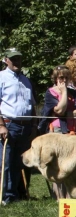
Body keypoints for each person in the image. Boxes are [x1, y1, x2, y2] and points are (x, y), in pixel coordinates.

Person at [38, 65, 76, 199]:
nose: (64, 80)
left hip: (72, 131)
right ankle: (58, 196)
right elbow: (58, 110)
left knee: (71, 164)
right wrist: (64, 93)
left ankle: (70, 196)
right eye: (61, 77)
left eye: (67, 77)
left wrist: (66, 113)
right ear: (55, 78)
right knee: (57, 165)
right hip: (57, 131)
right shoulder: (51, 92)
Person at [0, 48, 37, 205]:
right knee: (6, 162)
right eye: (13, 59)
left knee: (19, 162)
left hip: (25, 126)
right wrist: (1, 126)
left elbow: (32, 104)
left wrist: (34, 126)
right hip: (8, 124)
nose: (16, 62)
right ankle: (5, 196)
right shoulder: (1, 77)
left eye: (19, 59)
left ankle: (16, 194)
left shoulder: (25, 80)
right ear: (6, 60)